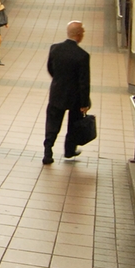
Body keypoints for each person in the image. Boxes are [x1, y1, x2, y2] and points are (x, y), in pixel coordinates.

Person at [43, 20, 91, 164]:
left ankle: (48, 151)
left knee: (52, 123)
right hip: (75, 96)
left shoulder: (55, 49)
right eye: (83, 31)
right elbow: (84, 81)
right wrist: (84, 102)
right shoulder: (82, 55)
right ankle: (69, 150)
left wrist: (58, 80)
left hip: (57, 92)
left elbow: (50, 68)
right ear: (79, 35)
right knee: (74, 123)